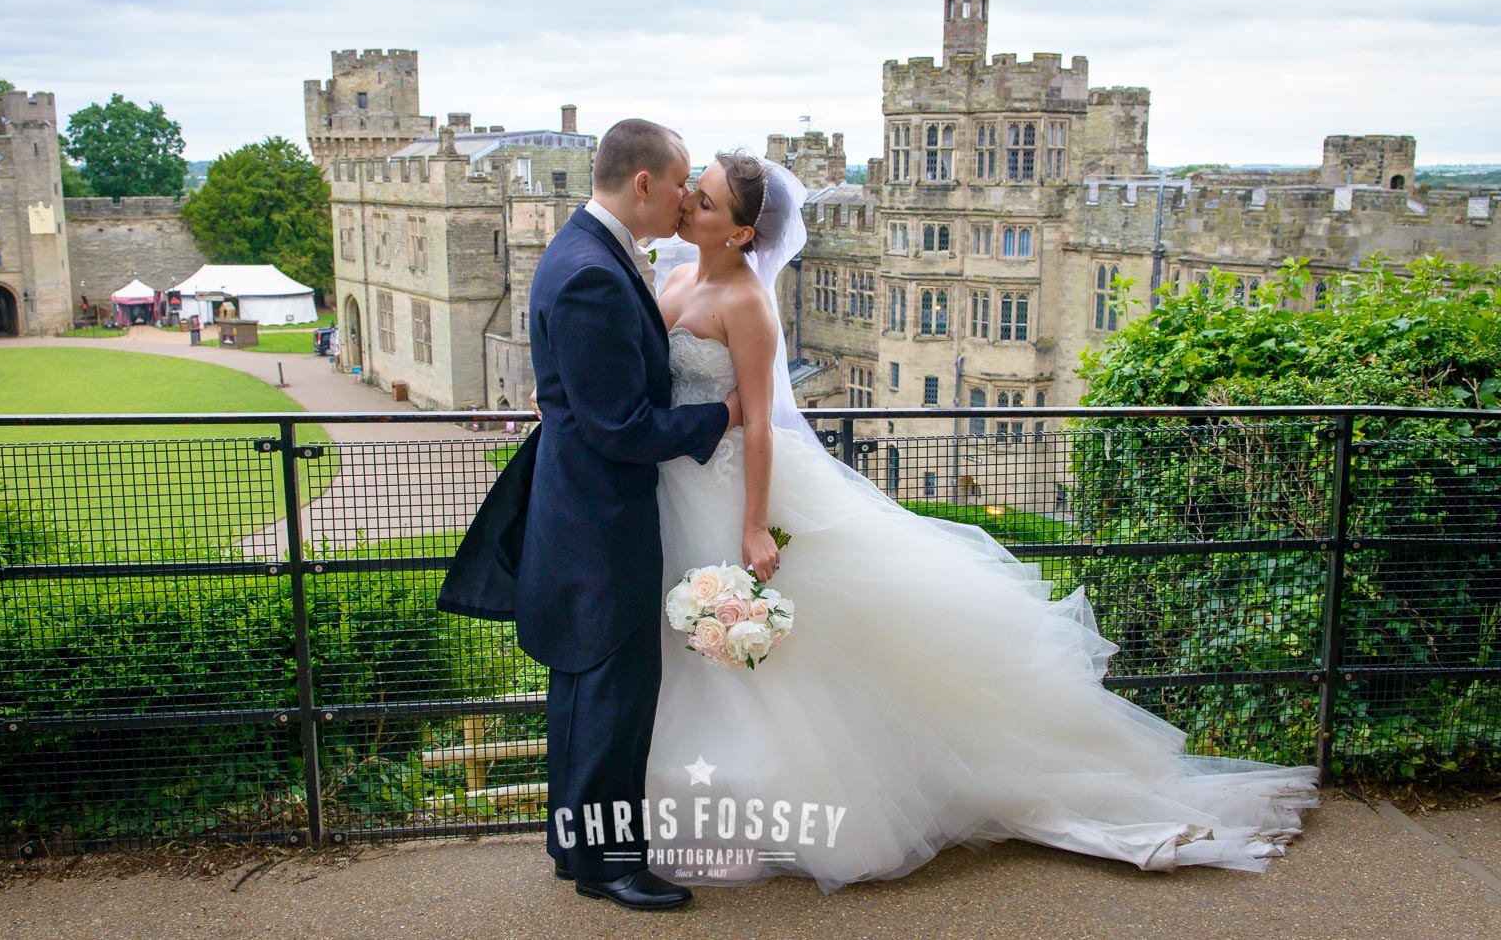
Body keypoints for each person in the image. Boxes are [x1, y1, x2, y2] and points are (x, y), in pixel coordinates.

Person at [641, 152, 1319, 893]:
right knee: (709, 655)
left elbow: (764, 424)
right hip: (680, 484)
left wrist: (755, 527)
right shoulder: (675, 277)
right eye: (694, 194)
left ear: (740, 234)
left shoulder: (747, 303)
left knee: (771, 654)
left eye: (702, 202)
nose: (686, 206)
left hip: (737, 486)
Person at [441, 119, 740, 912]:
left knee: (589, 690)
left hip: (581, 510)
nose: (685, 198)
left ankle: (577, 850)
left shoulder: (588, 250)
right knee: (612, 692)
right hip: (597, 520)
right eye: (680, 183)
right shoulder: (590, 273)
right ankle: (609, 865)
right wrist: (724, 414)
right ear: (643, 183)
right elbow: (619, 428)